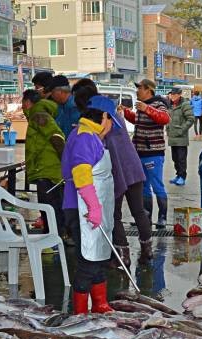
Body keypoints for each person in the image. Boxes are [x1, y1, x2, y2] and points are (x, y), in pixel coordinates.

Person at [72, 80, 154, 263]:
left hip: (115, 170)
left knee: (113, 214)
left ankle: (123, 256)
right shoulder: (113, 113)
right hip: (132, 166)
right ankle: (147, 249)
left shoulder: (96, 119)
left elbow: (97, 146)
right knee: (138, 211)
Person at [63, 98, 117, 315]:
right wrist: (93, 207)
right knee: (88, 261)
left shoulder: (92, 137)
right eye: (111, 121)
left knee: (99, 257)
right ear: (104, 117)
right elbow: (81, 174)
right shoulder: (84, 137)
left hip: (93, 209)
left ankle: (100, 304)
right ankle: (80, 313)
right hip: (82, 209)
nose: (111, 127)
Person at [122, 79, 171, 228]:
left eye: (140, 88)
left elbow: (165, 119)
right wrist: (125, 112)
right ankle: (146, 216)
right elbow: (137, 120)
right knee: (143, 186)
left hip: (153, 153)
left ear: (148, 90)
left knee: (157, 185)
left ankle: (162, 217)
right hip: (140, 153)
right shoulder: (142, 105)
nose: (137, 91)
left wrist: (147, 109)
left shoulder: (158, 104)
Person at [22, 89, 67, 242]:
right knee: (50, 205)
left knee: (49, 206)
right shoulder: (37, 115)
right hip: (45, 169)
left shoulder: (38, 115)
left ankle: (54, 238)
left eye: (23, 103)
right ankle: (54, 236)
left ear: (28, 102)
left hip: (47, 170)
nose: (22, 107)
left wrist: (65, 161)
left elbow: (56, 136)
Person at [166, 88, 192, 186]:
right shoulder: (170, 105)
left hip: (181, 138)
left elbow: (191, 119)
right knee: (175, 158)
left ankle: (182, 177)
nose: (172, 96)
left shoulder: (184, 105)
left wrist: (182, 130)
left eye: (175, 94)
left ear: (180, 94)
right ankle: (178, 175)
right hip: (172, 137)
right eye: (171, 94)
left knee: (181, 159)